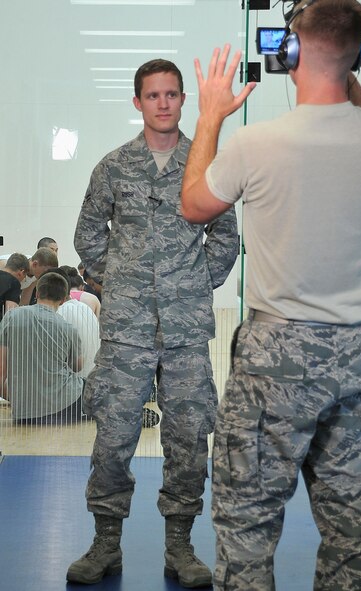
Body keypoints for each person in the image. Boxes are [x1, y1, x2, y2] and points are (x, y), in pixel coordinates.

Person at [180, 1, 361, 590]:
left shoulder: (254, 143)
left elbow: (192, 204)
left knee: (246, 526)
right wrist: (346, 67)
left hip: (275, 359)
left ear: (288, 55)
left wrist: (211, 115)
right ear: (360, 56)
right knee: (355, 531)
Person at [67, 58, 239, 587]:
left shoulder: (206, 163)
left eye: (172, 94)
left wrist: (191, 283)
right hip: (127, 331)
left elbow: (226, 236)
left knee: (189, 437)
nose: (163, 103)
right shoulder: (113, 167)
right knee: (114, 436)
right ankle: (106, 541)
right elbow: (88, 234)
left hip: (187, 333)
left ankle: (180, 546)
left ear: (184, 100)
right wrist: (117, 284)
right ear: (137, 102)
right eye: (153, 95)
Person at [0, 272, 84, 423]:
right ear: (63, 300)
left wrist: (19, 402)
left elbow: (1, 371)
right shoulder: (68, 328)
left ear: (37, 293)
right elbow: (77, 366)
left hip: (23, 413)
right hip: (65, 403)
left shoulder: (10, 317)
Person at [0, 253, 30, 321]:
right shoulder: (14, 283)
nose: (23, 280)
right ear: (21, 272)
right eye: (24, 277)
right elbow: (11, 314)